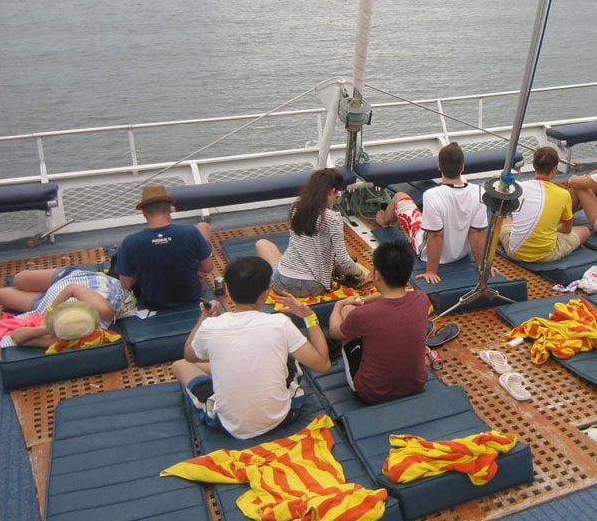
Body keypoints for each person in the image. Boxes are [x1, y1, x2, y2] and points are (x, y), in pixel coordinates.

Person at [170, 256, 330, 440]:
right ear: (266, 293)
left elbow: (189, 355)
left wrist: (204, 318)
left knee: (180, 365)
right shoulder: (280, 323)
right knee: (289, 356)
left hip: (227, 425)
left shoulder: (210, 327)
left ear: (227, 291)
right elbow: (323, 365)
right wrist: (309, 316)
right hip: (283, 417)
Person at [328, 241, 431, 404]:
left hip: (372, 392)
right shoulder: (422, 299)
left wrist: (338, 305)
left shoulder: (364, 314)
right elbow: (398, 300)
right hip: (416, 384)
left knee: (346, 312)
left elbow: (335, 332)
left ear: (377, 275)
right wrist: (371, 299)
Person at [375, 141, 488, 284]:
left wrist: (431, 271)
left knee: (399, 197)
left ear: (439, 166)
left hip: (426, 252)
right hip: (462, 253)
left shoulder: (432, 195)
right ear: (463, 167)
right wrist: (482, 266)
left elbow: (435, 236)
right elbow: (477, 233)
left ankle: (384, 221)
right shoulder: (479, 192)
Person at [255, 169, 368, 297]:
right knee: (271, 251)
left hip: (283, 282)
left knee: (262, 244)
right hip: (313, 286)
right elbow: (343, 259)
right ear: (333, 191)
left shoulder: (295, 208)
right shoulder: (333, 218)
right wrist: (359, 272)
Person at [113, 183, 215, 309]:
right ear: (170, 208)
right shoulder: (191, 232)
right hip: (191, 297)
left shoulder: (130, 242)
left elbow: (125, 284)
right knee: (203, 227)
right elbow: (208, 268)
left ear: (144, 212)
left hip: (154, 303)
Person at [0, 265, 126, 348]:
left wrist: (46, 328)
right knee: (19, 279)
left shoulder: (64, 336)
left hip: (45, 302)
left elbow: (16, 337)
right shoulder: (103, 310)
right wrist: (49, 312)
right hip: (74, 282)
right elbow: (72, 288)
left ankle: (43, 296)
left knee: (0, 295)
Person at [502, 146, 590, 262]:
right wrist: (547, 231)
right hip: (546, 254)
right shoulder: (563, 194)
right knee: (584, 231)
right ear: (554, 169)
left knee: (504, 219)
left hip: (514, 252)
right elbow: (566, 229)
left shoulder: (518, 188)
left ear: (534, 165)